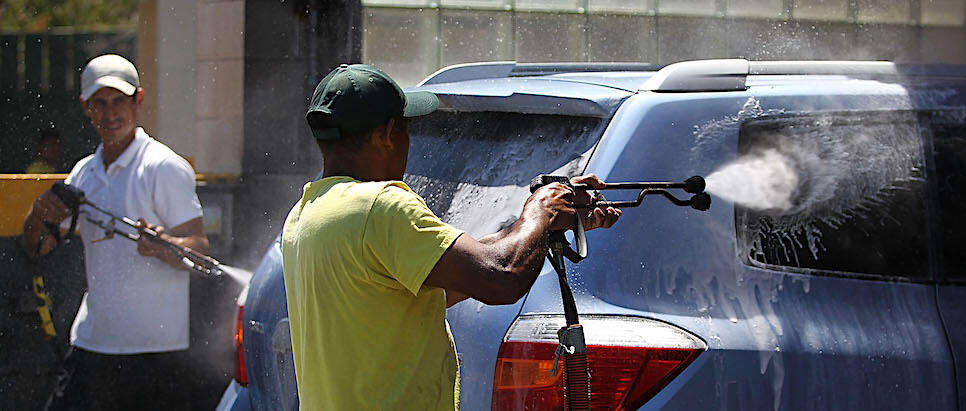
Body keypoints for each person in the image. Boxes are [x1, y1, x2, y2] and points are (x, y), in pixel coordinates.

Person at [281, 63, 622, 410]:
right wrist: (540, 210)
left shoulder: (307, 214)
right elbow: (501, 277)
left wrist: (540, 228)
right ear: (386, 134)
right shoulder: (381, 206)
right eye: (405, 130)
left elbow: (437, 285)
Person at [21, 54, 209, 410]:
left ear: (138, 100)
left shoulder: (164, 167)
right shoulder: (83, 174)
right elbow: (36, 249)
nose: (110, 114)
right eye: (99, 103)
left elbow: (200, 248)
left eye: (119, 101)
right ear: (85, 107)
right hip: (92, 344)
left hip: (155, 354)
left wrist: (164, 246)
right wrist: (36, 214)